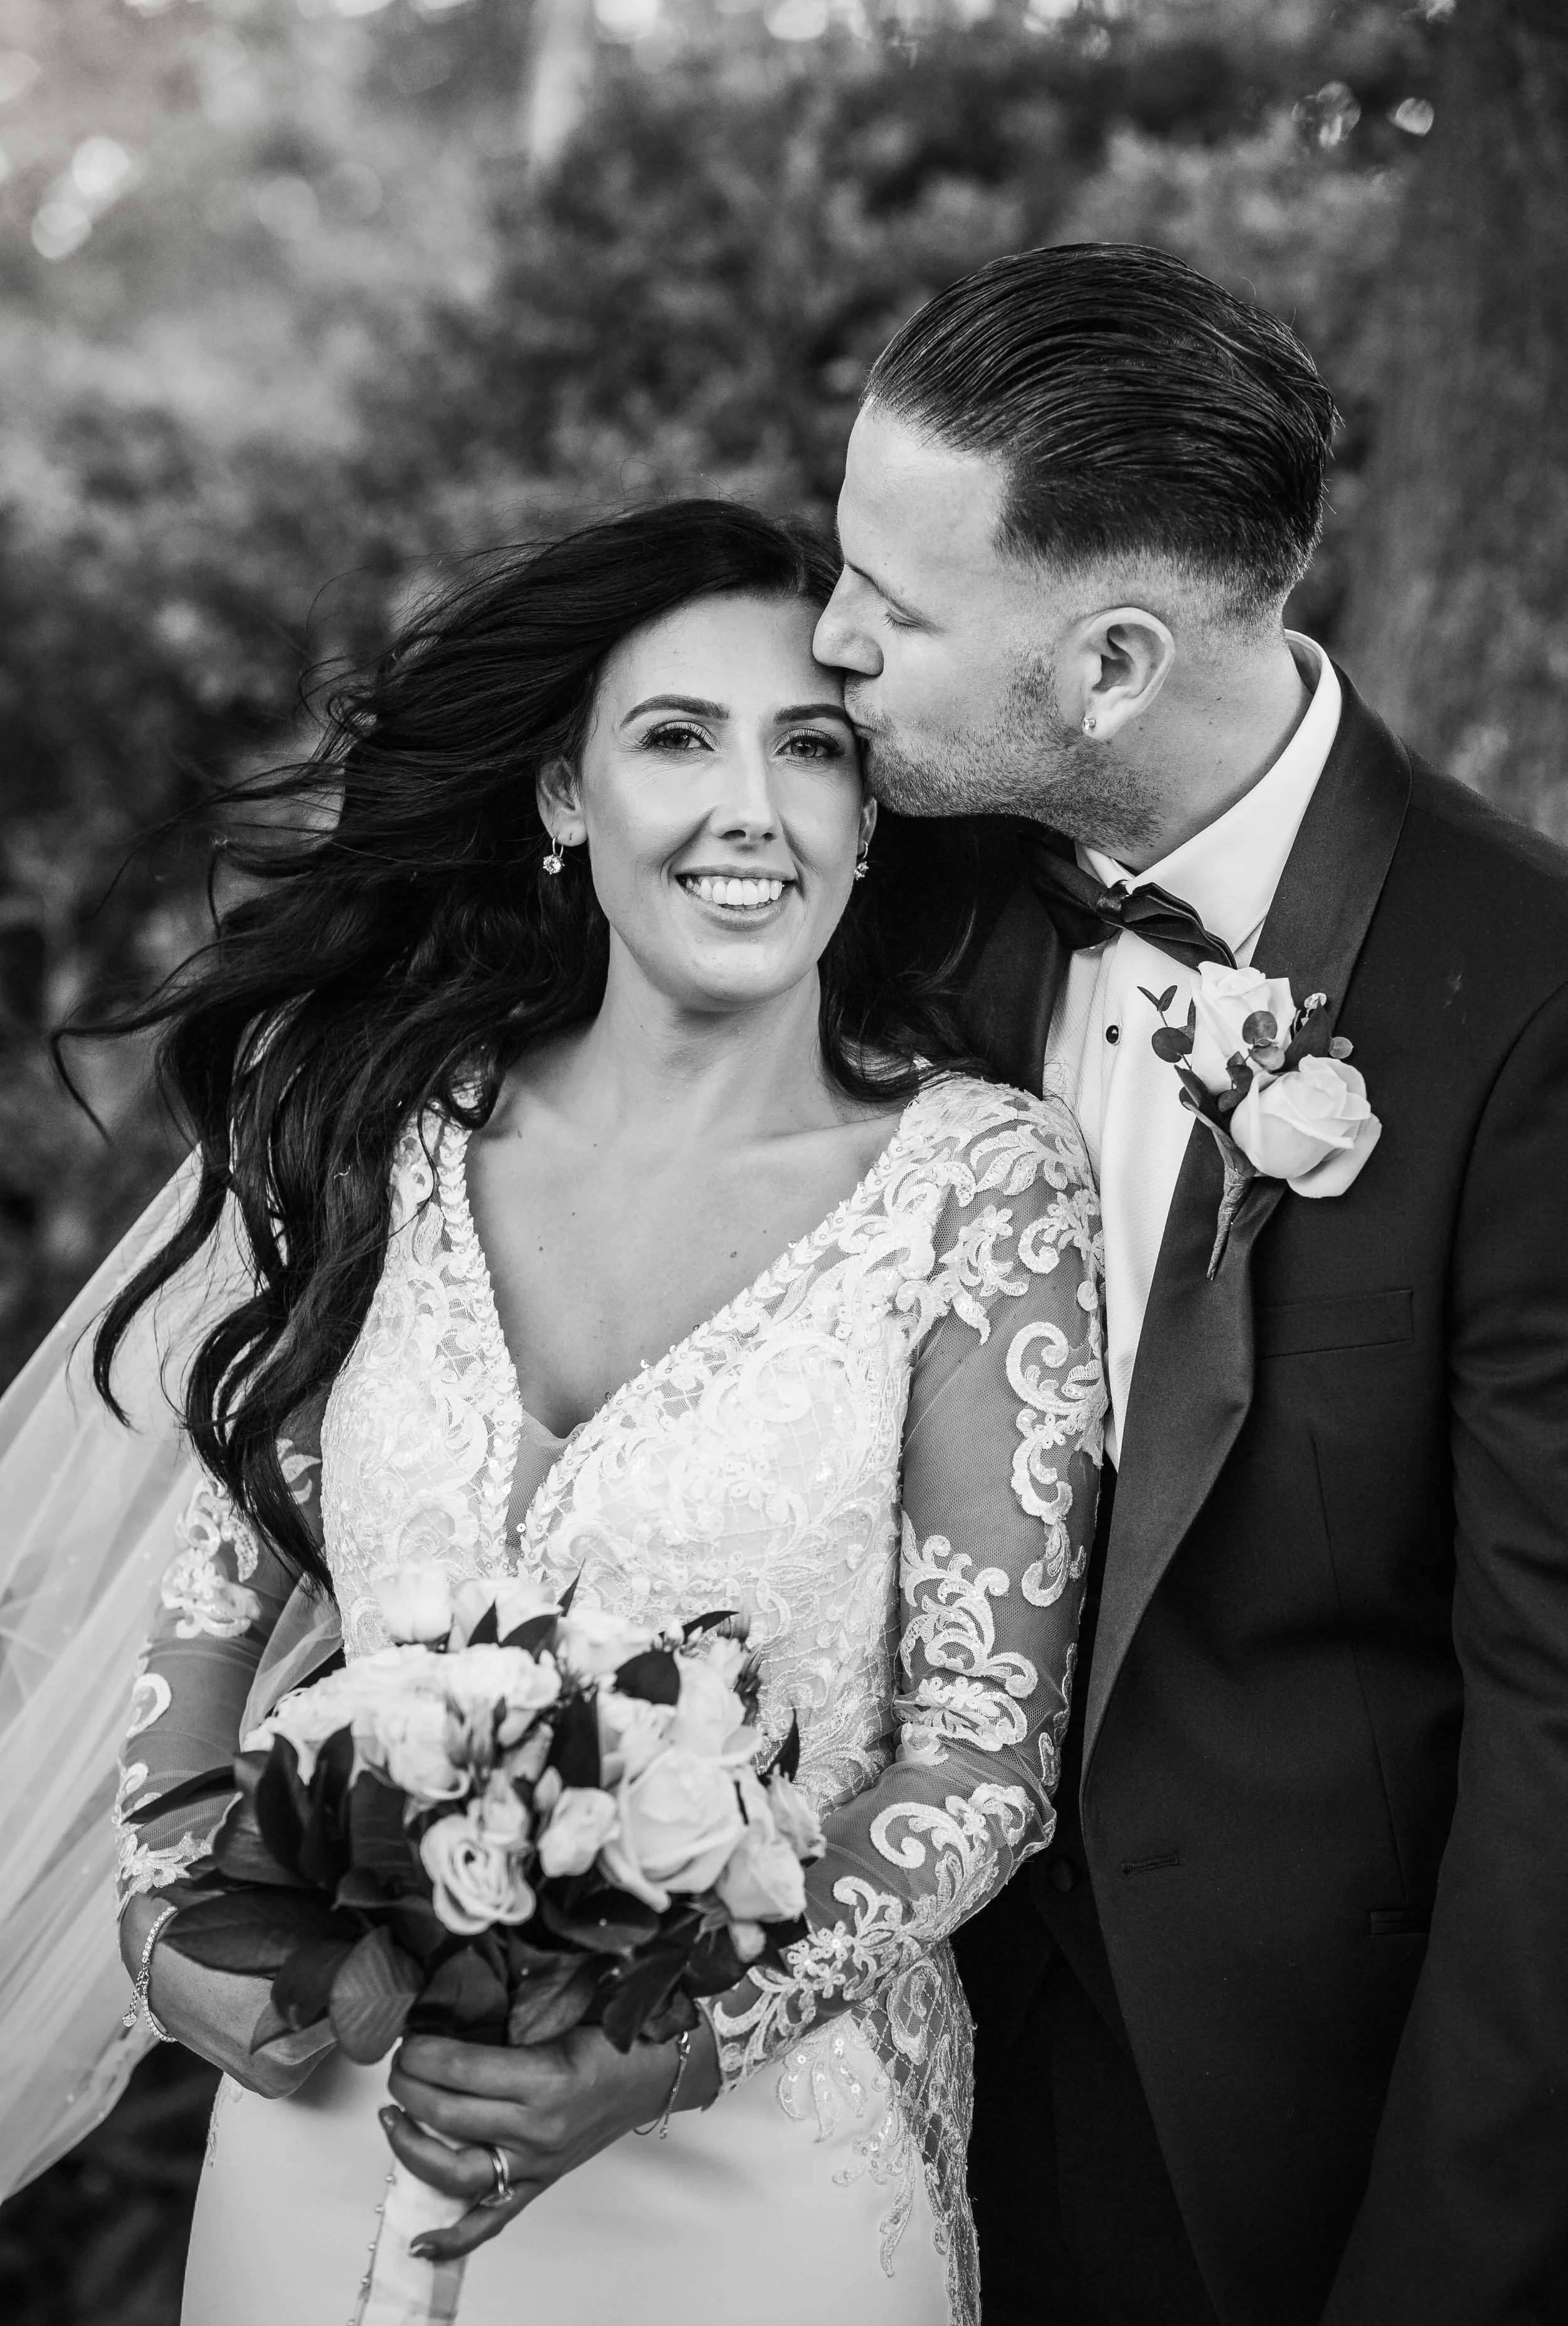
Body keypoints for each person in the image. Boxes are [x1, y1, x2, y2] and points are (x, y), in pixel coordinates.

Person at [36, 502, 1105, 2324]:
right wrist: (159, 1905)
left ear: (868, 814)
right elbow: (212, 1610)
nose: (751, 809)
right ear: (560, 797)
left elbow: (978, 1754)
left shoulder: (978, 1185)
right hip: (329, 2120)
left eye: (814, 749)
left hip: (755, 2164)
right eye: (677, 737)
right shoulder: (387, 1137)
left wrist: (672, 2042)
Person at [808, 240, 1568, 2326]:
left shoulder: (1524, 999)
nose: (829, 638)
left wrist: (1446, 2276)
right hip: (840, 2081)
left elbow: (1548, 1730)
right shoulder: (866, 892)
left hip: (1259, 2151)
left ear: (1115, 661)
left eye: (896, 602)